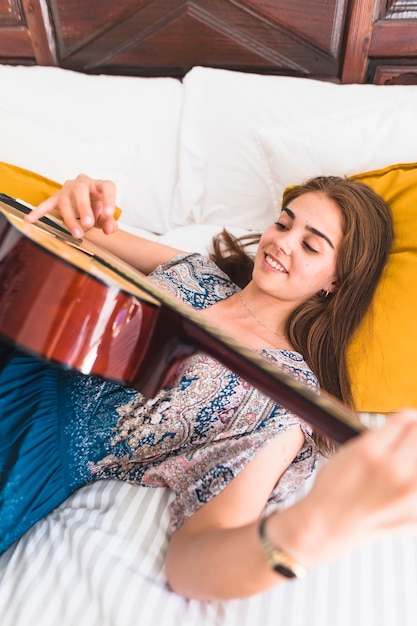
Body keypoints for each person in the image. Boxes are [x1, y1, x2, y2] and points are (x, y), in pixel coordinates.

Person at [1, 173, 417, 602]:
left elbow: (192, 567)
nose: (282, 242)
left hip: (29, 446)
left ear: (335, 283)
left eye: (311, 245)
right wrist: (79, 201)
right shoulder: (195, 270)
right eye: (283, 223)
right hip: (19, 345)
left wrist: (309, 527)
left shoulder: (282, 398)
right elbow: (70, 235)